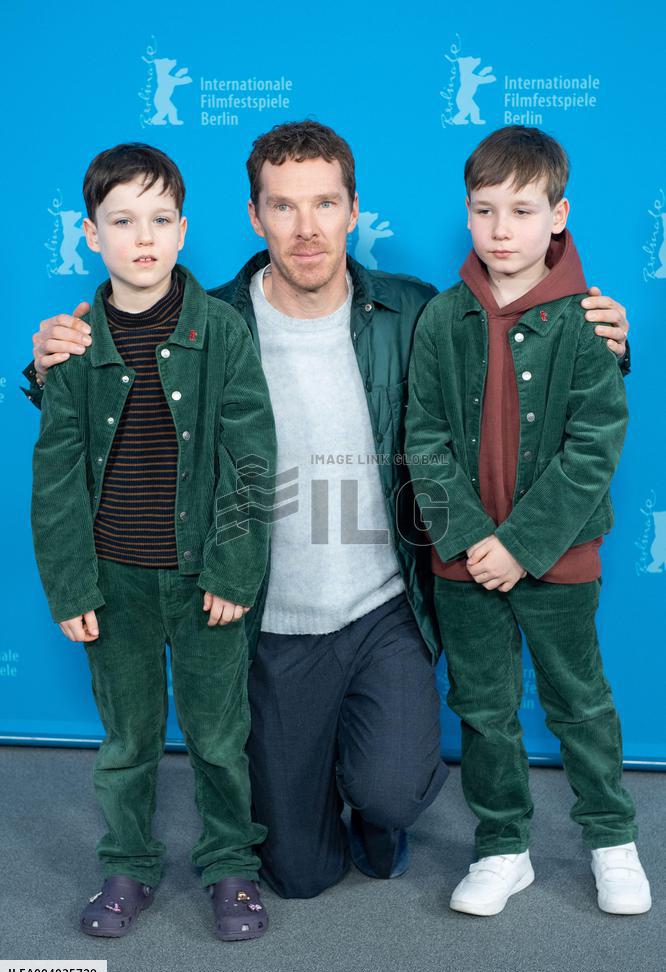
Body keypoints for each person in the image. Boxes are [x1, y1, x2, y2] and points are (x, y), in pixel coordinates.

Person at [23, 121, 632, 901]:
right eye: (283, 207)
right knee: (297, 873)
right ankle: (311, 784)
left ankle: (381, 798)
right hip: (270, 616)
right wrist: (46, 367)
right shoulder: (205, 323)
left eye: (324, 204)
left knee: (389, 789)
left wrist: (610, 343)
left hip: (381, 609)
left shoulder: (416, 312)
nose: (305, 229)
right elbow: (120, 383)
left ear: (353, 210)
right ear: (253, 216)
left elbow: (518, 350)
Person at [30, 143, 276, 939]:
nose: (144, 236)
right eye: (122, 220)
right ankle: (128, 865)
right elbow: (57, 476)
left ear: (183, 230)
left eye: (161, 219)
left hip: (206, 575)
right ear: (91, 234)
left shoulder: (224, 333)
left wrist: (235, 569)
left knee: (216, 735)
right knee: (127, 738)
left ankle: (231, 864)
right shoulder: (73, 345)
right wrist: (71, 586)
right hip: (115, 582)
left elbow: (251, 460)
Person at [405, 125, 650, 917]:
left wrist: (523, 545)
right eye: (484, 210)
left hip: (558, 558)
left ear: (559, 215)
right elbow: (425, 437)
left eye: (521, 209)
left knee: (579, 699)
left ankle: (612, 840)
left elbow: (594, 447)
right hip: (464, 561)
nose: (501, 228)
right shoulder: (442, 319)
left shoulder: (587, 321)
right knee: (482, 707)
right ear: (467, 216)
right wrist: (477, 540)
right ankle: (503, 846)